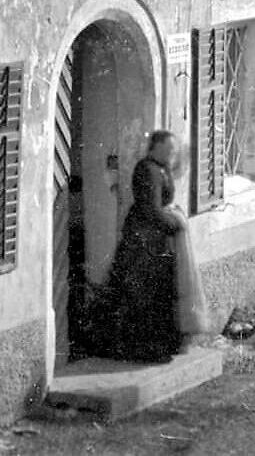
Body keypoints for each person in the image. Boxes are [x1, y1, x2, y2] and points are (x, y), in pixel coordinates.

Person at [91, 130, 210, 363]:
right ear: (156, 147)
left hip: (157, 239)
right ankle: (141, 348)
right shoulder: (146, 169)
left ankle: (161, 345)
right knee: (142, 295)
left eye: (174, 150)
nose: (173, 153)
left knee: (160, 293)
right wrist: (174, 223)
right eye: (169, 149)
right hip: (143, 241)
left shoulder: (163, 168)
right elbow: (150, 209)